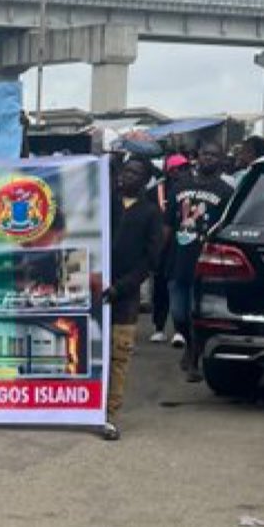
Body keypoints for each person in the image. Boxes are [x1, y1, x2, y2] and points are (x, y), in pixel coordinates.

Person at [100, 156, 164, 440]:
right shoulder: (104, 203)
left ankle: (110, 414)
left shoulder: (150, 213)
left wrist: (121, 288)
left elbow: (150, 261)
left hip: (125, 300)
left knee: (118, 356)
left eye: (136, 173)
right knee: (90, 353)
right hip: (95, 289)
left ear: (145, 180)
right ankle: (85, 408)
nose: (128, 176)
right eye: (126, 170)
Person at [163, 140, 233, 383]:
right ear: (197, 156)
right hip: (178, 260)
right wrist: (160, 255)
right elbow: (167, 225)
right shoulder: (179, 186)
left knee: (197, 315)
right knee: (178, 313)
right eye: (205, 154)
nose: (208, 159)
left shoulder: (226, 192)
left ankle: (194, 358)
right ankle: (188, 345)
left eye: (214, 155)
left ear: (222, 160)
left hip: (206, 263)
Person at [150, 155, 189, 344]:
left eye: (183, 169)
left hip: (180, 245)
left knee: (179, 286)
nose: (179, 173)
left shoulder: (189, 189)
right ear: (168, 170)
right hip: (160, 245)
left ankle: (180, 329)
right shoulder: (156, 189)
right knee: (160, 288)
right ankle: (158, 327)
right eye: (175, 169)